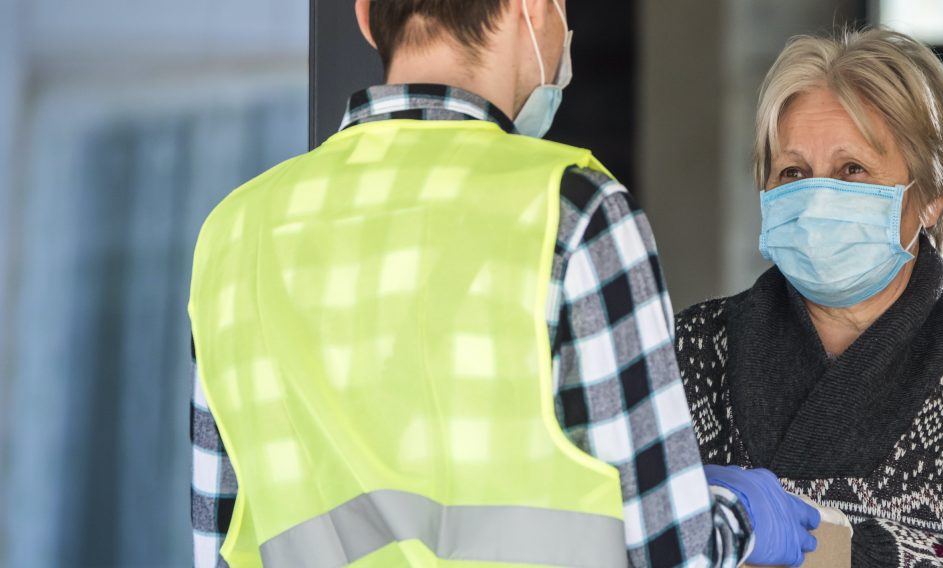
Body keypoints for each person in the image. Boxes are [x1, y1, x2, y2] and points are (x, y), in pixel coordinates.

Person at [188, 1, 820, 566]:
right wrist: (745, 522)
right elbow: (667, 554)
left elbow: (219, 539)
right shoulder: (572, 213)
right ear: (531, 9)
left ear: (363, 13)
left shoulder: (235, 234)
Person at [674, 28, 943, 567]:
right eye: (793, 173)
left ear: (931, 198)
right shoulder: (692, 349)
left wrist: (848, 551)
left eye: (853, 170)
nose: (819, 197)